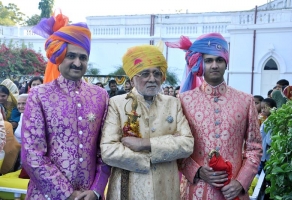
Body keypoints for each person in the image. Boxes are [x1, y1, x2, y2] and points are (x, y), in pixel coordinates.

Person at [21, 11, 110, 200]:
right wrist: (66, 194)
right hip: (46, 195)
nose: (77, 63)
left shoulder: (100, 96)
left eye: (83, 57)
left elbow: (105, 149)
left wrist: (96, 190)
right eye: (71, 56)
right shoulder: (39, 95)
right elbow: (32, 155)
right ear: (59, 57)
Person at [166, 33, 262, 199]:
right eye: (209, 60)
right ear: (201, 64)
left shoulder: (245, 101)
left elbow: (254, 148)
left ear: (226, 63)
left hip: (233, 191)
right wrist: (197, 171)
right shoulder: (184, 100)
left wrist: (241, 182)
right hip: (196, 189)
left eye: (219, 60)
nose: (214, 65)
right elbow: (176, 145)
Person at [100, 44, 194, 199]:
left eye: (157, 73)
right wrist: (149, 159)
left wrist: (146, 144)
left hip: (165, 188)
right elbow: (108, 150)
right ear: (133, 77)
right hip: (129, 188)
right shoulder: (117, 103)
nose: (152, 79)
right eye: (145, 73)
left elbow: (187, 144)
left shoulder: (173, 103)